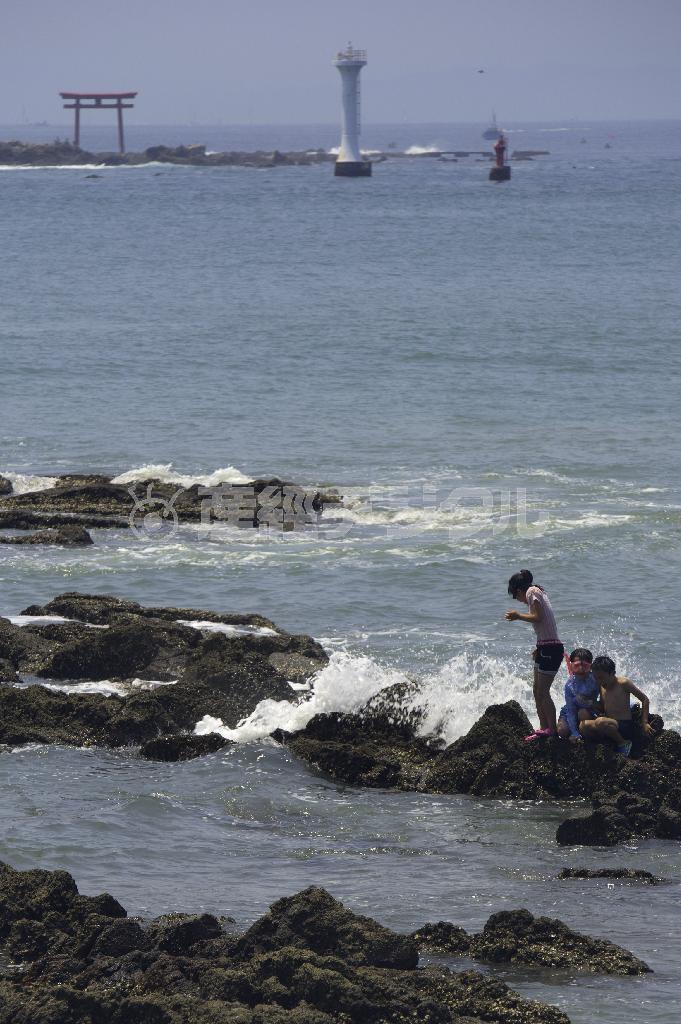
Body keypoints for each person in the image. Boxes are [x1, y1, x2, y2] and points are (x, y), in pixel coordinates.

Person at [505, 569, 564, 741]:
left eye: (515, 597)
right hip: (545, 646)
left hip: (552, 648)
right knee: (537, 690)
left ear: (518, 591)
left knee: (543, 691)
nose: (519, 601)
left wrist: (518, 616)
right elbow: (545, 624)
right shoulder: (537, 591)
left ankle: (552, 730)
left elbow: (538, 617)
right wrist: (539, 645)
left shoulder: (532, 591)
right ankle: (543, 728)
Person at [580, 654, 656, 757]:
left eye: (601, 678)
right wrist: (589, 702)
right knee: (583, 726)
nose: (598, 681)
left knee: (600, 721)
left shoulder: (623, 683)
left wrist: (644, 723)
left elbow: (645, 699)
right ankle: (603, 743)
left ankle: (623, 743)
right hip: (608, 724)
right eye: (596, 678)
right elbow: (602, 706)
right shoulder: (602, 686)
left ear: (612, 673)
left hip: (623, 725)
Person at [556, 649, 600, 743]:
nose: (581, 669)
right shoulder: (569, 685)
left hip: (588, 710)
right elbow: (570, 711)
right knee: (562, 730)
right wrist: (574, 732)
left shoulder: (596, 679)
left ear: (591, 666)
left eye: (585, 666)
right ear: (571, 666)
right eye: (576, 666)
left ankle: (584, 732)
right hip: (570, 711)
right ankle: (575, 733)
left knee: (582, 713)